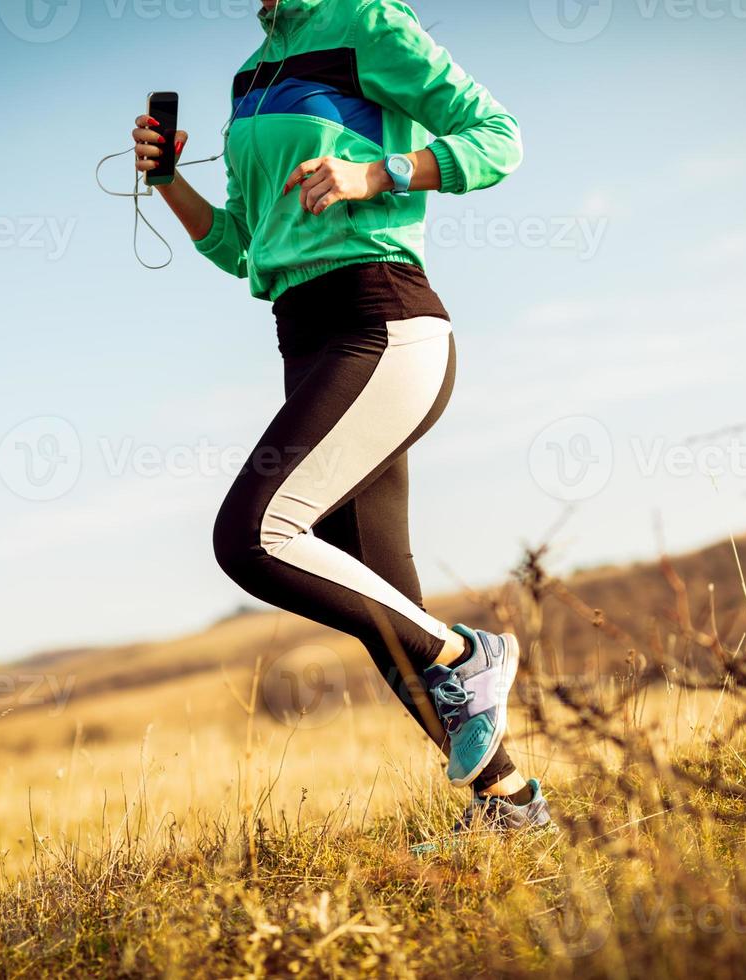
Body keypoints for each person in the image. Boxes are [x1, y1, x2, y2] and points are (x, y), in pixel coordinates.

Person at [130, 0, 549, 832]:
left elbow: (500, 138)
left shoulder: (367, 22)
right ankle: (509, 804)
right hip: (305, 340)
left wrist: (378, 173)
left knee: (252, 535)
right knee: (385, 605)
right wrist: (170, 182)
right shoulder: (255, 74)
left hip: (381, 322)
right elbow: (243, 247)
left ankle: (469, 654)